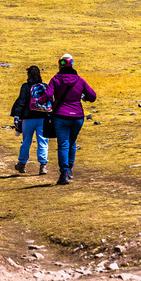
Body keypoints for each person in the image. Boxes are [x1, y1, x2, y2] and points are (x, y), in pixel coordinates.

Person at [42, 53, 97, 185]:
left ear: (60, 64)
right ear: (71, 64)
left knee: (63, 144)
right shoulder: (80, 80)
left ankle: (64, 173)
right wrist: (83, 97)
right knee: (72, 142)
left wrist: (39, 100)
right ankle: (70, 169)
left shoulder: (56, 79)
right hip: (77, 116)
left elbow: (47, 95)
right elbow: (92, 96)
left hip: (60, 116)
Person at [10, 65, 50, 175]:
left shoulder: (25, 87)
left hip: (28, 118)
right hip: (43, 117)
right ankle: (43, 166)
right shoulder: (44, 86)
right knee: (43, 141)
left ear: (28, 75)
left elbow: (21, 102)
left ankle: (22, 164)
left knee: (26, 141)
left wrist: (17, 116)